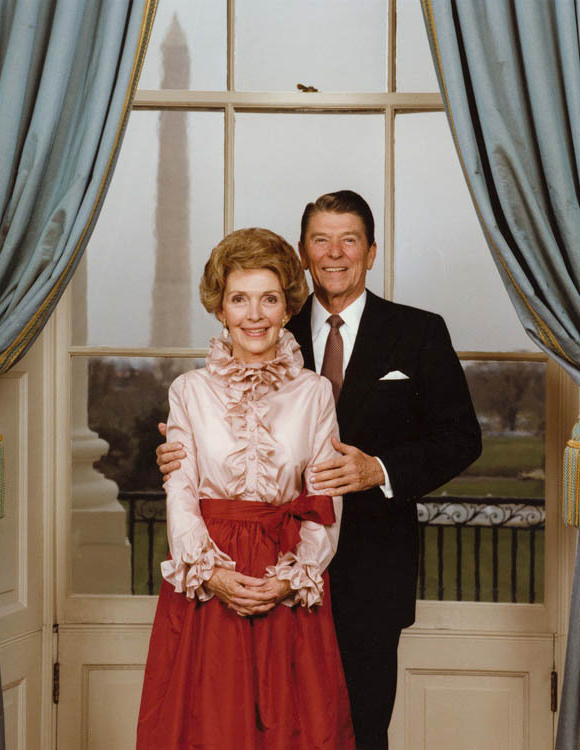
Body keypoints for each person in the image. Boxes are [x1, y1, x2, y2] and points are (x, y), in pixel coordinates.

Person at [157, 191, 482, 750]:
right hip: (247, 566)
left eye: (349, 239)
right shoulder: (269, 327)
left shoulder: (418, 331)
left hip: (365, 571)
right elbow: (212, 436)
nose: (334, 252)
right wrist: (169, 452)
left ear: (372, 251)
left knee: (352, 726)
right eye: (320, 240)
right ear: (303, 255)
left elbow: (462, 438)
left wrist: (378, 468)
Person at [137, 227, 355, 749]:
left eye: (269, 299)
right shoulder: (188, 390)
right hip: (209, 581)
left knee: (296, 730)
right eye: (239, 299)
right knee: (205, 728)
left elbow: (325, 498)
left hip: (284, 579)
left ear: (287, 309)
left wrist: (294, 577)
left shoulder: (315, 393)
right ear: (220, 308)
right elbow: (182, 492)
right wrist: (209, 572)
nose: (254, 315)